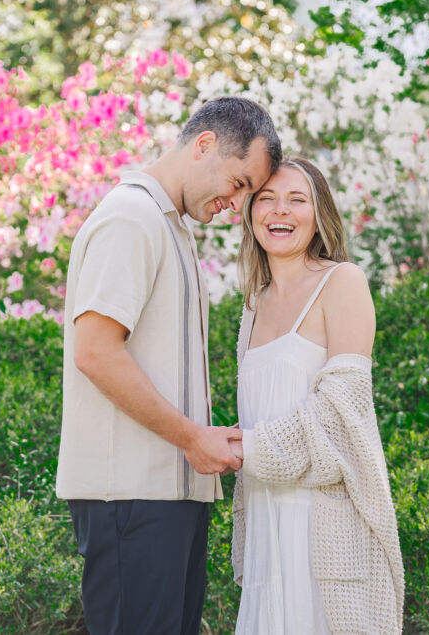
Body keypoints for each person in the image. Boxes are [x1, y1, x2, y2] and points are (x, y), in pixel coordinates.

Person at [56, 97, 282, 635]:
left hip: (168, 496)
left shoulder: (170, 227)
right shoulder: (130, 219)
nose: (238, 201)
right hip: (132, 498)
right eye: (240, 180)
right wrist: (190, 438)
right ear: (204, 144)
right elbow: (95, 351)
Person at [229, 158, 405, 634]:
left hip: (324, 529)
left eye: (296, 199)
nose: (278, 210)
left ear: (318, 212)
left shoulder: (342, 282)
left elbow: (341, 408)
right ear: (249, 213)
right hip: (267, 529)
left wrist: (248, 447)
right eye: (265, 198)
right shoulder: (253, 303)